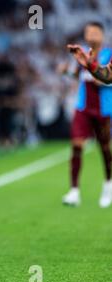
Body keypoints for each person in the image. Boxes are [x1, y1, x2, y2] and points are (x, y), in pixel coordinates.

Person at [61, 22, 112, 207]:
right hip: (82, 107)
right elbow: (78, 74)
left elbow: (107, 77)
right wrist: (66, 71)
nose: (90, 35)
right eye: (87, 32)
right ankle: (74, 191)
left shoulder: (108, 54)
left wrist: (102, 80)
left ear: (102, 34)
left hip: (104, 108)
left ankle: (108, 185)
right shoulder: (81, 53)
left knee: (105, 148)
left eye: (94, 32)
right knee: (76, 145)